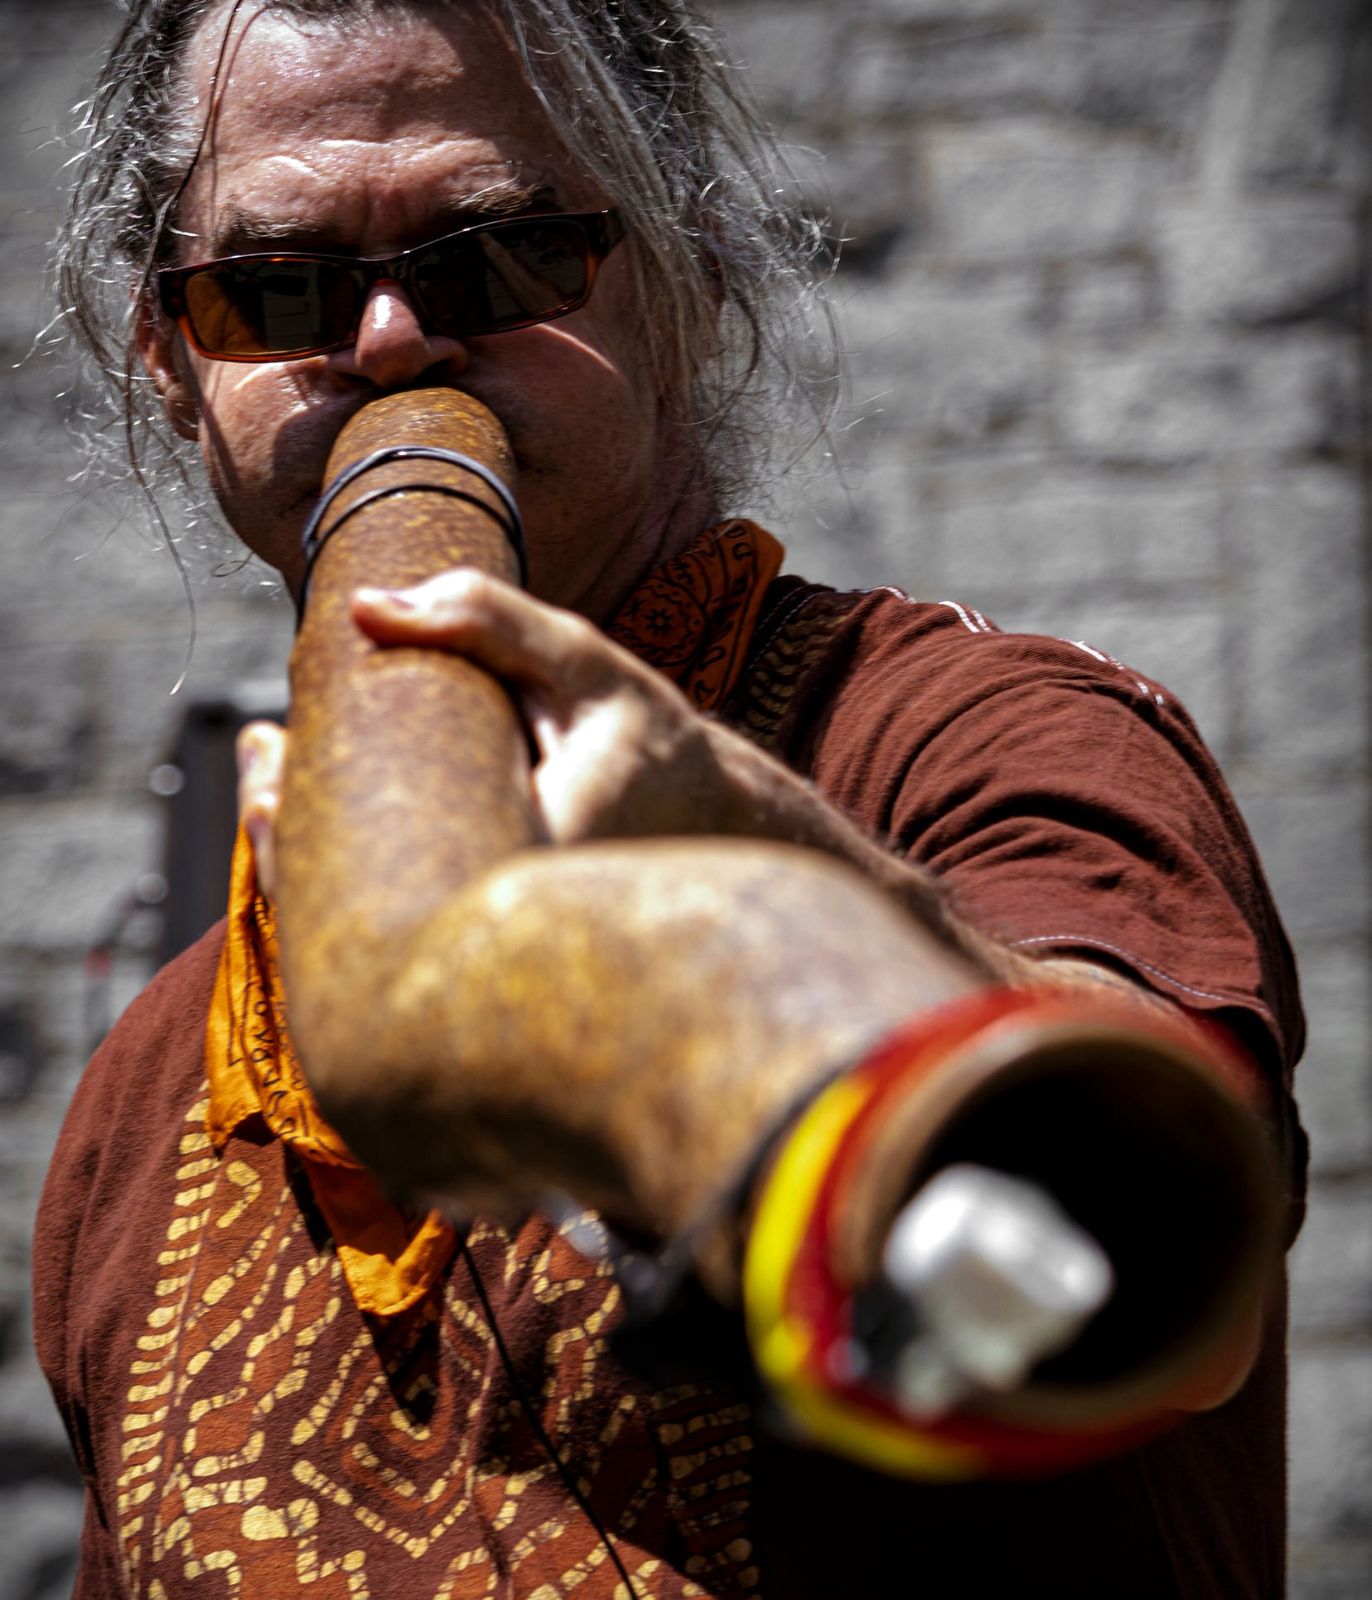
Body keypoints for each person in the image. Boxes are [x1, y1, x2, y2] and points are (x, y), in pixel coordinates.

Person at [34, 2, 1306, 1596]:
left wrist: (756, 869)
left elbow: (1173, 1275)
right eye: (276, 288)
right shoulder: (143, 1100)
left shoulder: (979, 737)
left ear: (686, 286)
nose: (391, 344)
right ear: (169, 359)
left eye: (501, 257)